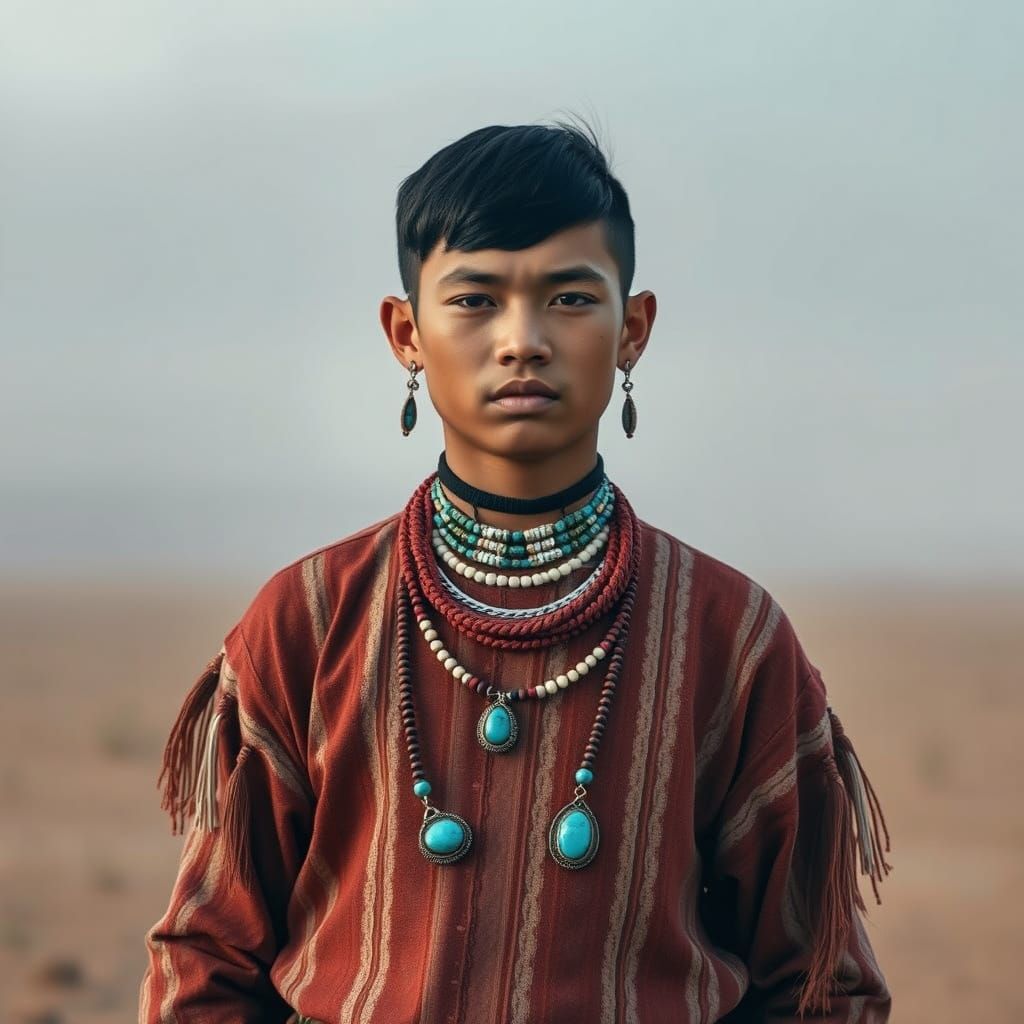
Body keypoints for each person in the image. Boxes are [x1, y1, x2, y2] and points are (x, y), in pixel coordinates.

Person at [139, 118, 893, 1023]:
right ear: (405, 332)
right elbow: (205, 959)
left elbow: (820, 985)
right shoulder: (311, 616)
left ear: (634, 330)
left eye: (571, 299)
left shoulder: (728, 633)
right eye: (475, 300)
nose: (522, 340)